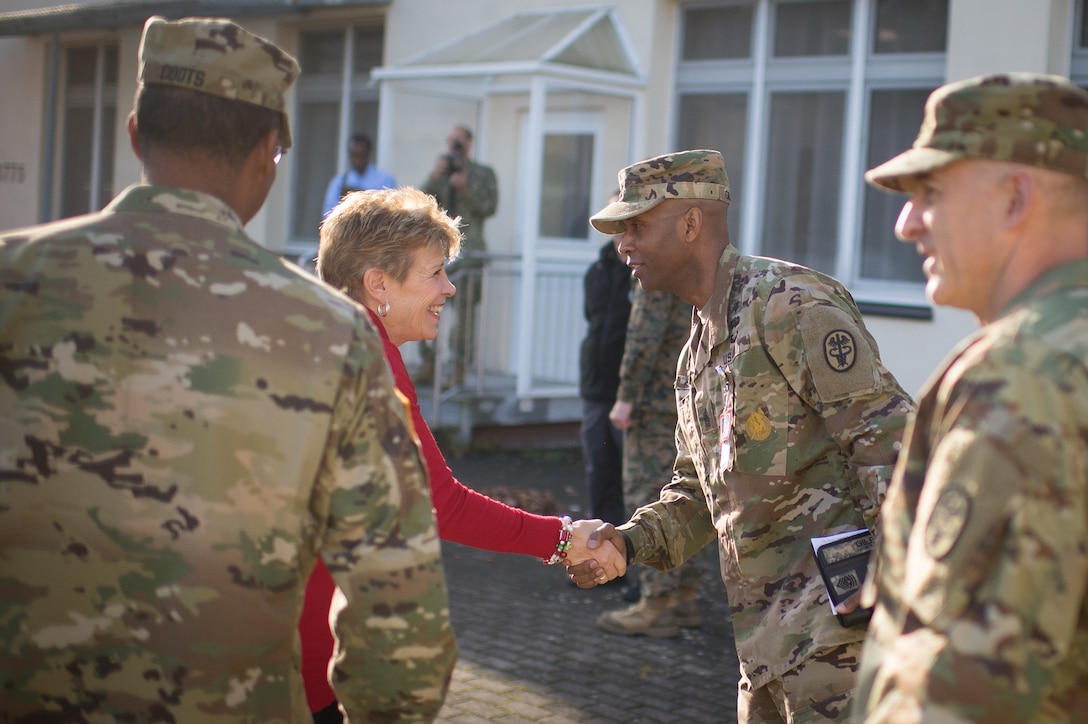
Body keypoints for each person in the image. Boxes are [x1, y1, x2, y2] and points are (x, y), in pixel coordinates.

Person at [0, 16, 455, 722]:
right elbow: (395, 592)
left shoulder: (11, 281)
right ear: (269, 150)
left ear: (133, 135)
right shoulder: (332, 334)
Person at [569, 149, 916, 722]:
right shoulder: (695, 353)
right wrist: (625, 545)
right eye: (619, 230)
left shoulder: (791, 306)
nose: (622, 244)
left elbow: (894, 450)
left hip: (842, 651)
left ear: (690, 224)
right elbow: (698, 496)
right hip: (763, 660)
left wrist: (900, 598)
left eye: (636, 225)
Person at [310, 186, 625, 721]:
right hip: (309, 653)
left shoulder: (324, 339)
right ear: (378, 283)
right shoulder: (368, 360)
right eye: (434, 272)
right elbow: (440, 504)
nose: (449, 289)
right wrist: (559, 538)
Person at [851, 72, 1088, 722]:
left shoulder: (1022, 372)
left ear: (1016, 197)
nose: (906, 224)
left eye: (930, 191)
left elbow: (955, 689)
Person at [596, 284, 704, 637]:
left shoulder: (654, 273)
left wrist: (626, 395)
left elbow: (645, 334)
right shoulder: (689, 266)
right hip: (687, 401)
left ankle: (657, 603)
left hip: (654, 405)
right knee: (688, 498)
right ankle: (685, 598)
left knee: (650, 497)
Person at [418, 125, 498, 386]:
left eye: (458, 143)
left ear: (469, 144)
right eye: (450, 142)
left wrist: (466, 189)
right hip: (438, 253)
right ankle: (428, 364)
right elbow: (420, 202)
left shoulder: (482, 174)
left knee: (464, 316)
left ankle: (458, 369)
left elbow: (489, 207)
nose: (453, 147)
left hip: (470, 252)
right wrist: (435, 174)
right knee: (426, 307)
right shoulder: (442, 171)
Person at [578, 223, 632, 529]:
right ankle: (601, 555)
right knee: (599, 472)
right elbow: (593, 320)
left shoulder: (646, 274)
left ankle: (633, 560)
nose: (619, 230)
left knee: (633, 480)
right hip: (596, 390)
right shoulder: (596, 270)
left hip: (629, 395)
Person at [321, 132, 396, 217]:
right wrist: (343, 202)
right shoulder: (339, 182)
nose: (357, 160)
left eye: (361, 155)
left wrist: (362, 197)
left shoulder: (385, 180)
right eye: (353, 155)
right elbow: (327, 215)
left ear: (368, 153)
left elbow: (391, 212)